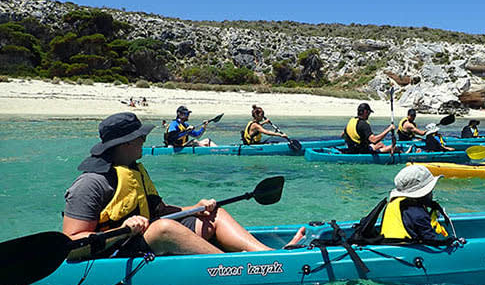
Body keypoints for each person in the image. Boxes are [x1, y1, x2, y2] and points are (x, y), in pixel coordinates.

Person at [63, 112, 305, 260]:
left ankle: (270, 256)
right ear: (125, 143)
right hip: (114, 251)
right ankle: (236, 267)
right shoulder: (91, 183)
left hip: (144, 239)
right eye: (140, 137)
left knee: (213, 215)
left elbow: (159, 212)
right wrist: (123, 228)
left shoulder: (134, 170)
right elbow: (72, 244)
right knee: (164, 229)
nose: (144, 140)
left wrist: (195, 207)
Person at [379, 165, 449, 241]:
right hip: (407, 250)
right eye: (430, 191)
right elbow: (431, 242)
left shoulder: (394, 203)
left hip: (390, 245)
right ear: (423, 193)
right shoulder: (419, 215)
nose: (432, 194)